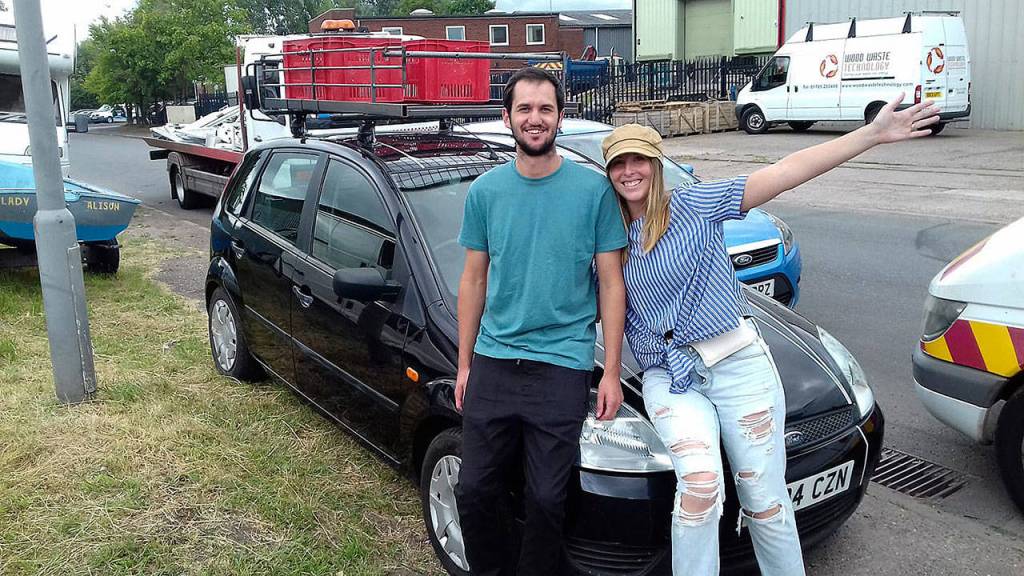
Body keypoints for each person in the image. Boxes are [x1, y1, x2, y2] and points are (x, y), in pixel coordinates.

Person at [600, 94, 940, 576]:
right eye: (619, 163)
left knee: (763, 496)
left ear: (655, 164)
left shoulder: (694, 204)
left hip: (738, 364)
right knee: (698, 487)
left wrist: (871, 134)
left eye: (640, 159)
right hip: (670, 376)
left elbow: (785, 171)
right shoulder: (609, 237)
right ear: (609, 173)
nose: (630, 171)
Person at [454, 67, 629, 575]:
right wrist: (465, 365)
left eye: (545, 109)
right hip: (495, 358)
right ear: (506, 117)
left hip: (563, 362)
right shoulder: (485, 192)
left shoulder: (593, 190)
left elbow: (612, 283)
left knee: (549, 501)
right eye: (525, 109)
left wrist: (611, 372)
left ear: (560, 116)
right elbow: (473, 281)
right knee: (475, 490)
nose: (536, 119)